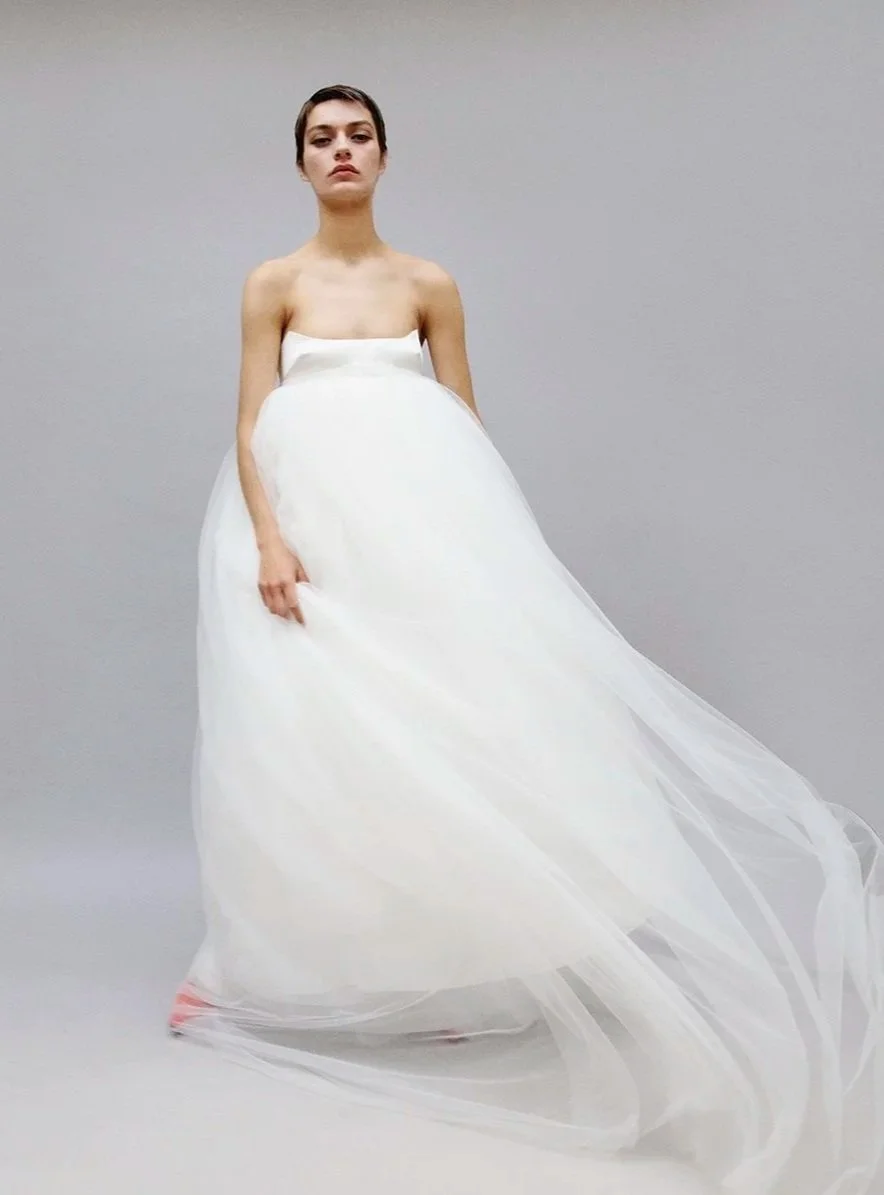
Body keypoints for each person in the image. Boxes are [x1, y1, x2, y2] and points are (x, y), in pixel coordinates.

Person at [168, 84, 883, 1195]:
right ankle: (274, 973)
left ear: (385, 155)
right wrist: (269, 537)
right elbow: (250, 416)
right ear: (300, 163)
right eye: (321, 138)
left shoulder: (428, 282)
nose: (341, 151)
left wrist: (482, 549)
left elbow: (462, 415)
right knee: (311, 745)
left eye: (357, 135)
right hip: (303, 540)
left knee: (434, 739)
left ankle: (442, 975)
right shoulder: (272, 281)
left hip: (416, 540)